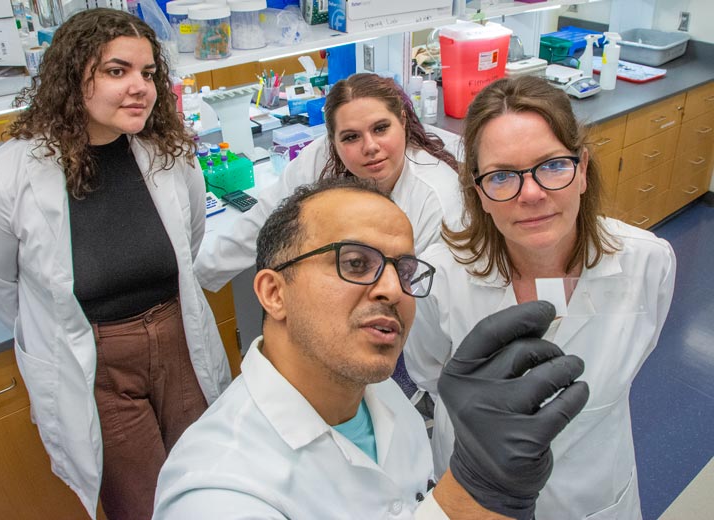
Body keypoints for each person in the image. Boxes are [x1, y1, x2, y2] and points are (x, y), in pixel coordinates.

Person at [153, 178, 589, 520]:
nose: (392, 290)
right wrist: (479, 490)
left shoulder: (379, 393)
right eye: (355, 262)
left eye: (405, 270)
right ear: (274, 293)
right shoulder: (217, 492)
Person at [0, 9, 230, 520]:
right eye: (116, 71)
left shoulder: (169, 153)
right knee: (144, 506)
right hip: (97, 366)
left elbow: (188, 242)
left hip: (180, 342)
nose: (139, 87)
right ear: (72, 76)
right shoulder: (9, 176)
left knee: (209, 485)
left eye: (148, 74)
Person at [405, 76, 676, 520]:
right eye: (502, 176)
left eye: (552, 165)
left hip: (592, 496)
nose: (530, 194)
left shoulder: (648, 263)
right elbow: (429, 372)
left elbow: (638, 352)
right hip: (478, 496)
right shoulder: (440, 276)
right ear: (479, 193)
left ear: (583, 170)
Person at [194, 72, 463, 294]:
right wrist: (196, 278)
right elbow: (266, 220)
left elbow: (420, 302)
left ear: (402, 121)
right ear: (333, 140)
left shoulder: (435, 198)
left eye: (381, 129)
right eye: (350, 137)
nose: (370, 147)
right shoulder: (320, 156)